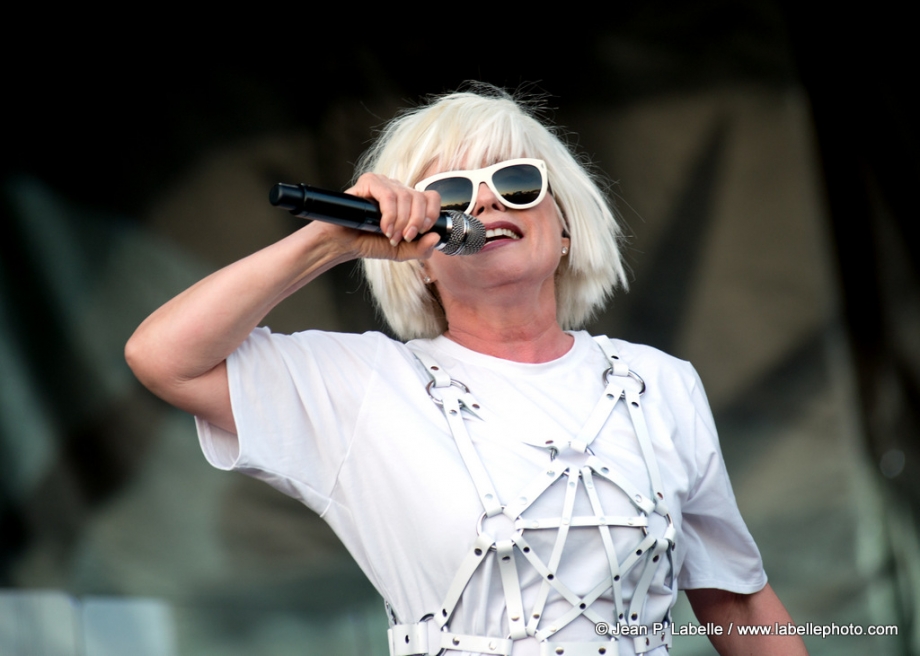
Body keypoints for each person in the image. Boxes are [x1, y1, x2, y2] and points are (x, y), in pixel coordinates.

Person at [126, 85, 808, 656]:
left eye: (516, 183)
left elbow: (736, 602)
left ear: (564, 225)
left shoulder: (661, 383)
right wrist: (328, 242)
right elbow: (163, 357)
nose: (485, 205)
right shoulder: (363, 385)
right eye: (450, 193)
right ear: (417, 254)